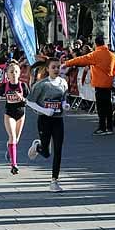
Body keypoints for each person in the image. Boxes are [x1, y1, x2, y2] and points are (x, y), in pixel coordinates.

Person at [26, 57, 71, 192]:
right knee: (46, 153)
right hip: (44, 120)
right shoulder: (41, 85)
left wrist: (65, 105)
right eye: (54, 67)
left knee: (58, 149)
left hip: (58, 119)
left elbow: (63, 99)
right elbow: (29, 102)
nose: (57, 70)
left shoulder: (63, 82)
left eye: (58, 67)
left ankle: (54, 181)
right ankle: (38, 146)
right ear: (47, 69)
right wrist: (45, 110)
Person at [64, 36, 115, 135]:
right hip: (108, 84)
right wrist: (110, 75)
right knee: (108, 107)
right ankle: (109, 128)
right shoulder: (112, 55)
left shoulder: (95, 54)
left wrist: (67, 63)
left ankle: (102, 128)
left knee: (100, 108)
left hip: (99, 84)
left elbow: (81, 59)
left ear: (96, 44)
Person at [0, 61, 28, 175]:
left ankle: (9, 150)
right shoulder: (5, 86)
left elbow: (28, 100)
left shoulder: (23, 86)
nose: (14, 74)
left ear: (19, 73)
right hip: (9, 114)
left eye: (16, 71)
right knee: (12, 136)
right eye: (11, 72)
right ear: (7, 74)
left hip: (21, 114)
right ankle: (14, 164)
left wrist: (22, 98)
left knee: (16, 140)